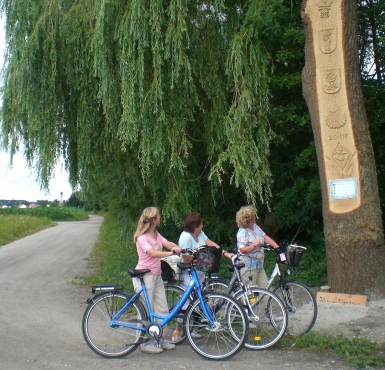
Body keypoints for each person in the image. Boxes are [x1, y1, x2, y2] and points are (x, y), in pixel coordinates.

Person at [133, 206, 182, 354]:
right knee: (147, 311)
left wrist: (179, 248)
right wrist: (170, 253)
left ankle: (157, 338)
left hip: (157, 276)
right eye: (158, 216)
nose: (160, 217)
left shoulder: (155, 234)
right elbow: (152, 253)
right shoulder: (142, 238)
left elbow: (168, 244)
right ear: (154, 220)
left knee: (162, 309)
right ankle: (144, 342)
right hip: (144, 277)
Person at [172, 212, 221, 341]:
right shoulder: (186, 237)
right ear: (195, 226)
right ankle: (177, 328)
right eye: (201, 224)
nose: (202, 225)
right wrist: (202, 259)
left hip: (200, 272)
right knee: (186, 302)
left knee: (196, 302)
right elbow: (186, 259)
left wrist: (222, 252)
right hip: (188, 274)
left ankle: (190, 328)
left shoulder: (199, 234)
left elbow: (210, 243)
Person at [236, 205, 280, 289]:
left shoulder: (255, 227)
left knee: (267, 292)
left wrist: (278, 248)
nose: (255, 217)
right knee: (250, 296)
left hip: (259, 266)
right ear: (248, 219)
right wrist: (253, 246)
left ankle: (265, 302)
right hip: (248, 268)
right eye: (253, 216)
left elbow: (265, 238)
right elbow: (242, 249)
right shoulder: (242, 232)